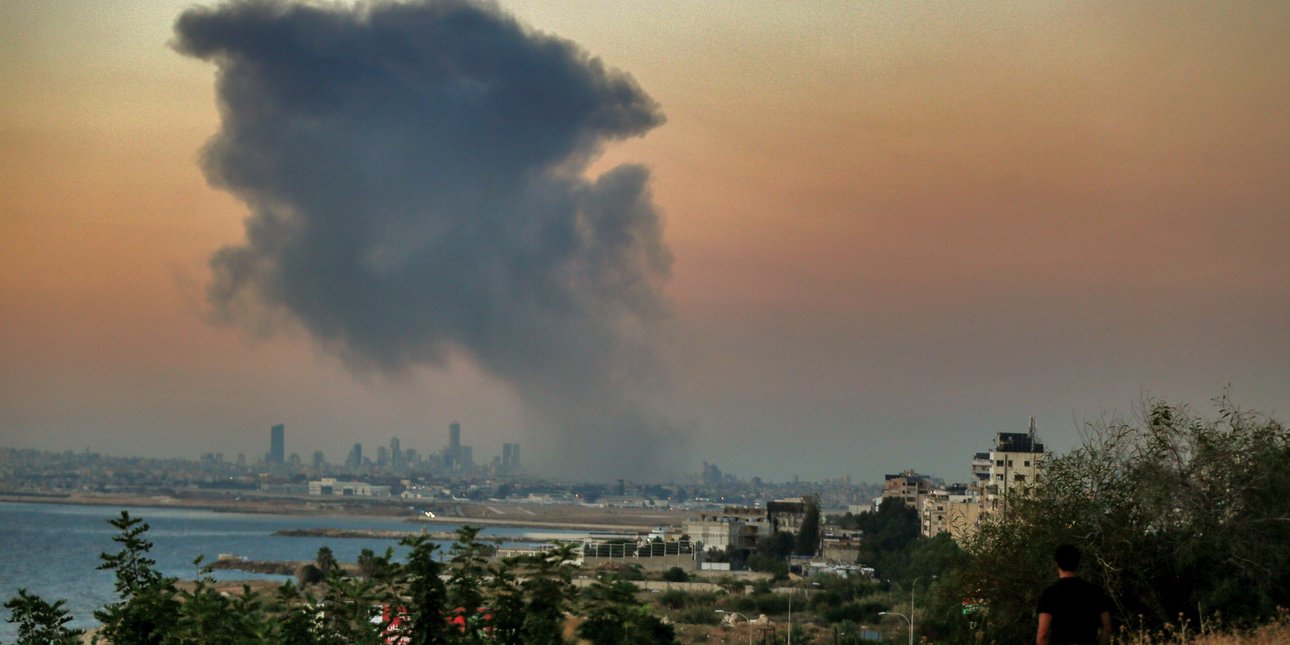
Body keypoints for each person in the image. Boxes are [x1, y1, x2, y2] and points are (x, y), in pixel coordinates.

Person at [1036, 544, 1112, 645]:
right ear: (1078, 563)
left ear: (1056, 564)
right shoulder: (1095, 591)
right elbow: (1106, 629)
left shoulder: (1049, 594)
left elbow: (1043, 634)